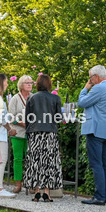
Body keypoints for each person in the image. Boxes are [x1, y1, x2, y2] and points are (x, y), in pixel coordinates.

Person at [78, 65, 106, 206]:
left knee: (97, 164)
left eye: (90, 77)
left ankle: (99, 197)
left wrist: (85, 88)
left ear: (96, 76)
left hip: (95, 131)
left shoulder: (98, 88)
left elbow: (82, 102)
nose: (90, 80)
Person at [23, 73, 63, 202]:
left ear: (38, 84)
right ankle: (47, 193)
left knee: (36, 162)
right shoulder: (55, 98)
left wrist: (29, 132)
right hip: (50, 133)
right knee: (49, 162)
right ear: (49, 84)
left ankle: (36, 192)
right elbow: (59, 118)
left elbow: (27, 118)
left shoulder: (31, 98)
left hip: (35, 133)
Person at [7, 75, 33, 194]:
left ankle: (32, 183)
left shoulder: (34, 97)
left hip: (31, 132)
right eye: (27, 82)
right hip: (17, 132)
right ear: (21, 85)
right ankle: (18, 183)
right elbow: (10, 116)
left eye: (31, 82)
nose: (29, 84)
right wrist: (22, 124)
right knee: (18, 158)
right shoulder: (15, 99)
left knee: (31, 158)